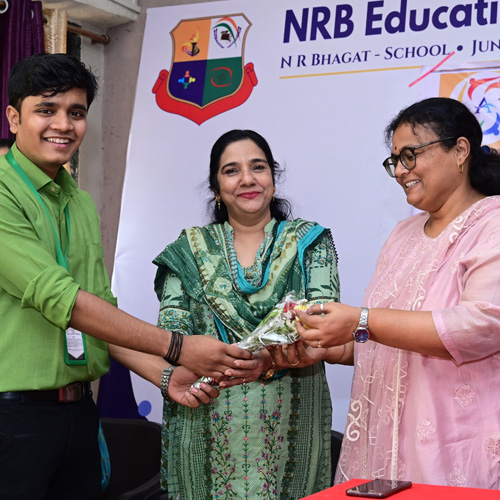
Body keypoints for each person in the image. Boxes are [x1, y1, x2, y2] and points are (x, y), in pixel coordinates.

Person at [0, 53, 256, 500]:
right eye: (46, 109)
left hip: (79, 413)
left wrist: (165, 375)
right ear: (14, 117)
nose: (63, 124)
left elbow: (100, 315)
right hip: (12, 418)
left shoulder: (77, 202)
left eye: (76, 112)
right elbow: (63, 300)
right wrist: (179, 347)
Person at [297, 97, 500, 489]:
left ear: (460, 150)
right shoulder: (402, 234)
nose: (401, 171)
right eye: (395, 161)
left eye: (411, 155)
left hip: (453, 450)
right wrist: (331, 347)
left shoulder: (492, 223)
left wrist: (360, 320)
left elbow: (481, 324)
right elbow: (381, 336)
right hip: (380, 448)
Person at [151, 129, 350, 499]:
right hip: (207, 421)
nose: (247, 178)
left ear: (273, 179)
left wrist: (268, 358)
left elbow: (323, 325)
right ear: (216, 188)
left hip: (290, 421)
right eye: (231, 170)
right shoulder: (188, 251)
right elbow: (171, 331)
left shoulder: (310, 243)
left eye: (258, 167)